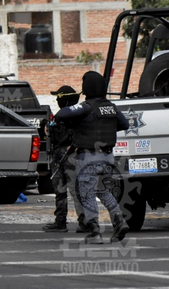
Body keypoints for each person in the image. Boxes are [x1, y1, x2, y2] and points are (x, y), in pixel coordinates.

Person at [54, 71, 130, 244]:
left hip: (89, 157)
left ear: (87, 88)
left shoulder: (86, 107)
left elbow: (62, 114)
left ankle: (95, 232)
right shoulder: (111, 107)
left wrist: (80, 123)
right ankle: (119, 221)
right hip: (108, 157)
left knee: (87, 194)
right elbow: (124, 124)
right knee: (103, 191)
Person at [42, 85, 89, 233]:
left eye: (59, 97)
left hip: (70, 155)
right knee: (60, 190)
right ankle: (60, 221)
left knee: (75, 190)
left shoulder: (75, 115)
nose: (57, 100)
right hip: (58, 155)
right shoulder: (60, 115)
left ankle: (84, 222)